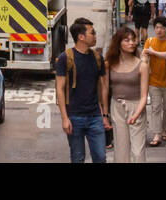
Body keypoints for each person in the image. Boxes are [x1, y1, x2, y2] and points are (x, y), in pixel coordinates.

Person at [54, 18, 109, 163]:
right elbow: (59, 89)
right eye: (93, 33)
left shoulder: (98, 58)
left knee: (101, 157)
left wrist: (105, 115)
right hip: (74, 117)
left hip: (95, 116)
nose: (95, 36)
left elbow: (103, 87)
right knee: (78, 158)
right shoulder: (65, 58)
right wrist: (65, 118)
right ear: (81, 37)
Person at [105, 25, 149, 163]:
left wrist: (136, 114)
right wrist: (105, 114)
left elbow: (144, 96)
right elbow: (105, 90)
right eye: (127, 40)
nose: (131, 43)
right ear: (118, 43)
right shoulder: (109, 64)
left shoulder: (142, 65)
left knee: (138, 151)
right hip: (116, 106)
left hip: (137, 107)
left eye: (133, 40)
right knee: (120, 149)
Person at [143, 17, 166, 146]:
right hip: (153, 81)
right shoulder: (150, 41)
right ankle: (156, 134)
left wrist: (153, 52)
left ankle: (165, 130)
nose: (158, 30)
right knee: (155, 108)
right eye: (156, 27)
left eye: (162, 27)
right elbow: (144, 56)